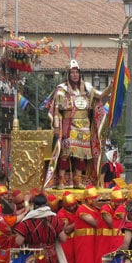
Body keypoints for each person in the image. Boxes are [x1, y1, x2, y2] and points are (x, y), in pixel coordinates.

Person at [46, 59, 110, 189]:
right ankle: (61, 181)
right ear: (68, 75)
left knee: (81, 156)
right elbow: (56, 110)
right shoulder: (61, 89)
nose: (75, 75)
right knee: (65, 153)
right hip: (69, 125)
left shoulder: (87, 87)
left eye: (77, 72)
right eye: (72, 72)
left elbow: (101, 95)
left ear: (80, 74)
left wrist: (110, 87)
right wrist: (57, 127)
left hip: (85, 126)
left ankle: (78, 180)